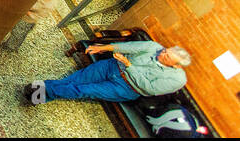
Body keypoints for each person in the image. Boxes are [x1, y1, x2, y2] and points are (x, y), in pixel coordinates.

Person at [25, 41, 190, 105]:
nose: (162, 53)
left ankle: (41, 88)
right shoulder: (155, 47)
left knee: (84, 90)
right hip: (112, 66)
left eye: (166, 56)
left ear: (175, 65)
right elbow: (130, 47)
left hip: (125, 88)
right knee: (74, 80)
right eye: (165, 51)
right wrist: (102, 48)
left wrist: (129, 65)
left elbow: (149, 88)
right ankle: (40, 96)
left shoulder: (177, 79)